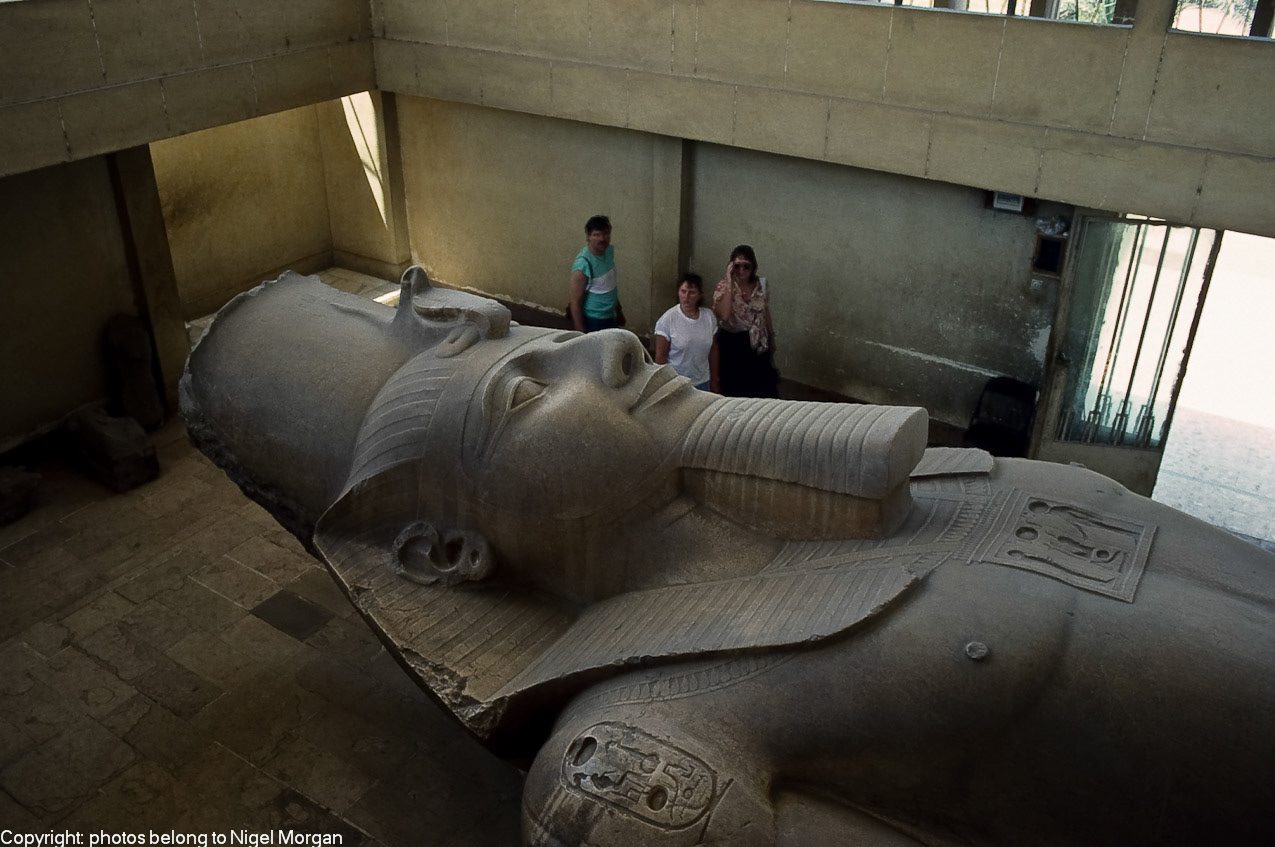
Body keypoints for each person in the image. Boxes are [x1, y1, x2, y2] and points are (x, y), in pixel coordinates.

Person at [712, 245, 779, 398]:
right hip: (734, 342)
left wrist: (772, 336)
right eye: (737, 266)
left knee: (762, 389)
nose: (741, 270)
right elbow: (724, 314)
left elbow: (765, 311)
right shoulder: (723, 287)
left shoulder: (760, 285)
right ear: (731, 266)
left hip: (757, 341)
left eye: (746, 266)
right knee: (736, 389)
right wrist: (729, 282)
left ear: (753, 266)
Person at [653, 273, 720, 392]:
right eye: (683, 291)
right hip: (677, 383)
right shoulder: (668, 319)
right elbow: (661, 357)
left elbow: (713, 350)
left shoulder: (709, 317)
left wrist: (715, 379)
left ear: (700, 295)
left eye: (692, 292)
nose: (686, 296)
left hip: (703, 381)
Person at [568, 215, 625, 333]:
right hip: (594, 320)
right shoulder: (583, 264)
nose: (602, 239)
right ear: (588, 237)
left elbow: (610, 283)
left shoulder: (608, 251)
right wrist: (582, 335)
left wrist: (619, 311)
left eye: (605, 233)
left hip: (611, 316)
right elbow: (575, 302)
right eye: (596, 235)